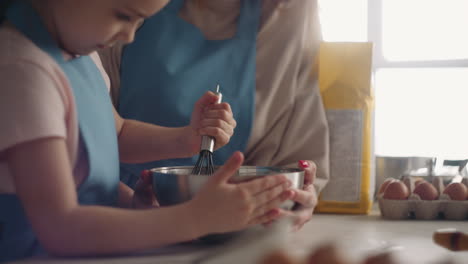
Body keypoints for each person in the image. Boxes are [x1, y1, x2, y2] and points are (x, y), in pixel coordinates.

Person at [0, 0, 295, 261]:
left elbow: (117, 135)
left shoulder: (79, 56)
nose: (129, 36)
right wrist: (193, 219)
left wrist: (187, 139)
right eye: (123, 15)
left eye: (140, 21)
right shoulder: (23, 69)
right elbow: (60, 227)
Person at [99, 0, 329, 231]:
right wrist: (133, 204)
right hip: (118, 219)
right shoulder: (114, 12)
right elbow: (95, 135)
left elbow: (298, 153)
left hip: (239, 225)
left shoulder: (291, 13)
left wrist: (296, 195)